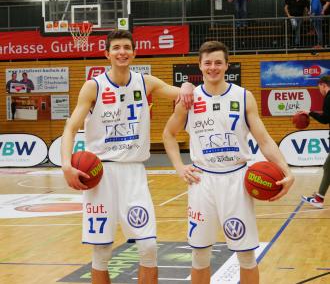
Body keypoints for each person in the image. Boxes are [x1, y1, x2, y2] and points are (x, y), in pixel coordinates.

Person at [61, 30, 194, 284]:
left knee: (149, 247)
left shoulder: (145, 82)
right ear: (107, 54)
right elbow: (70, 127)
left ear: (134, 52)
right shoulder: (93, 86)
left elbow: (183, 93)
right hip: (100, 175)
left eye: (126, 47)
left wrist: (187, 85)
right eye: (116, 48)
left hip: (134, 173)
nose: (121, 52)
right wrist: (66, 165)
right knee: (101, 251)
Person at [162, 41, 294, 284]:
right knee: (200, 255)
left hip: (237, 180)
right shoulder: (189, 99)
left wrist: (286, 170)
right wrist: (179, 166)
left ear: (227, 66)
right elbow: (168, 134)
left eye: (218, 63)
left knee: (246, 254)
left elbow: (264, 140)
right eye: (208, 63)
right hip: (202, 181)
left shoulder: (244, 97)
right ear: (200, 66)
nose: (213, 67)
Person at [300, 75, 330, 209]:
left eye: (319, 87)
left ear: (324, 85)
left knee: (328, 168)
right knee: (328, 167)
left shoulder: (329, 97)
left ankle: (318, 199)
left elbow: (325, 119)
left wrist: (310, 113)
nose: (320, 91)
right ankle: (319, 197)